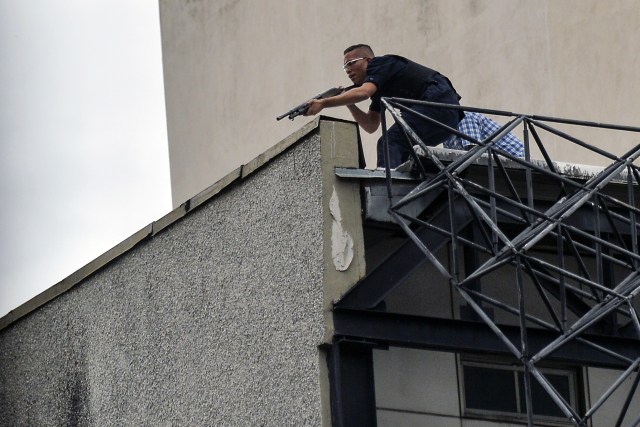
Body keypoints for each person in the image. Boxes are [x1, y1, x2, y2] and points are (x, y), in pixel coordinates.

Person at [304, 44, 463, 168]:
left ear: (368, 60)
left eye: (351, 63)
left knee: (389, 142)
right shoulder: (381, 85)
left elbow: (364, 92)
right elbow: (371, 125)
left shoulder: (380, 64)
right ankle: (402, 190)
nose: (348, 70)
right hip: (445, 116)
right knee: (402, 151)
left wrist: (323, 103)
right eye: (345, 67)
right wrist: (348, 102)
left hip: (437, 101)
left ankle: (386, 191)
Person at [444, 112, 525, 158]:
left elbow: (474, 154)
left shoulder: (464, 119)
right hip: (496, 166)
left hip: (520, 162)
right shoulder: (444, 133)